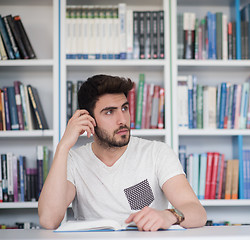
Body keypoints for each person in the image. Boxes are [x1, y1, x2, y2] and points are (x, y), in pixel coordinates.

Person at [38, 74, 207, 231]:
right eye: (110, 112)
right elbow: (49, 220)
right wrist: (63, 147)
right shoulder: (74, 161)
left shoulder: (157, 153)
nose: (122, 120)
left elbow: (197, 213)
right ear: (88, 119)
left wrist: (169, 216)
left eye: (124, 108)